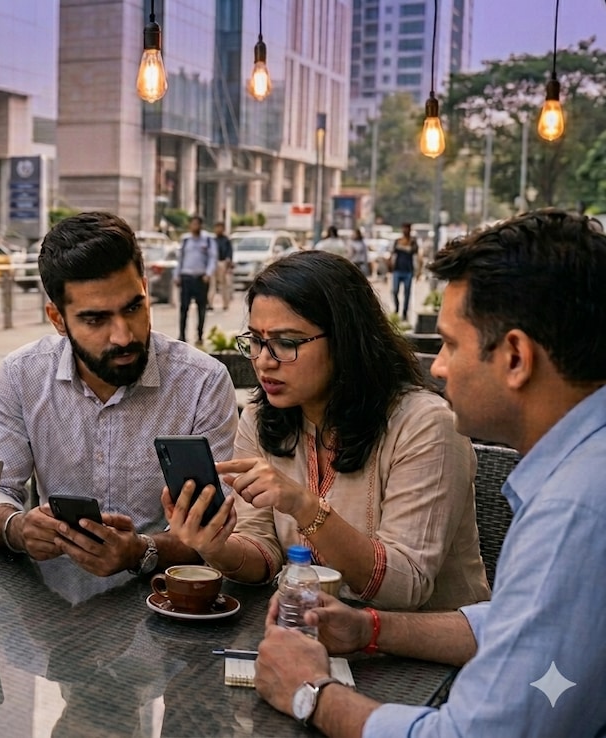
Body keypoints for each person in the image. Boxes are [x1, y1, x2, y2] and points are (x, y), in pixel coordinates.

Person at [252, 210, 606, 736]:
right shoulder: (580, 472)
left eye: (452, 345)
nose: (437, 366)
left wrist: (312, 693)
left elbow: (470, 734)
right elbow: (513, 624)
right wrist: (368, 628)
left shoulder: (574, 511)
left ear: (515, 357)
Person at [166, 250, 488, 611]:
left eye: (287, 343)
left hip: (425, 655)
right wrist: (215, 546)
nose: (264, 360)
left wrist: (305, 507)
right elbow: (262, 551)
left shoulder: (424, 424)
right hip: (312, 636)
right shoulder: (262, 416)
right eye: (256, 340)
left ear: (345, 341)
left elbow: (406, 585)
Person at [0, 211, 238, 578]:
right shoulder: (24, 374)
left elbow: (217, 526)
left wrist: (141, 551)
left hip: (167, 597)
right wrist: (18, 529)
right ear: (57, 318)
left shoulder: (201, 383)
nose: (123, 336)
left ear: (146, 290)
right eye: (95, 319)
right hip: (54, 601)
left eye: (134, 307)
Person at [173, 215, 217, 346]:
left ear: (200, 225)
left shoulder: (208, 240)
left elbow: (212, 258)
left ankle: (200, 335)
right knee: (184, 308)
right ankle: (182, 335)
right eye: (192, 224)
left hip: (200, 278)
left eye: (197, 224)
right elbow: (180, 259)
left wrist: (208, 273)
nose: (194, 227)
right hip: (186, 277)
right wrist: (177, 275)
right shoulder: (186, 240)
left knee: (201, 308)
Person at [389, 222, 419, 320]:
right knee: (395, 291)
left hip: (408, 270)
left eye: (407, 229)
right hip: (397, 269)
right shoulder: (397, 241)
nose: (405, 230)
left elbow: (415, 252)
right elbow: (393, 253)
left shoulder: (413, 242)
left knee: (407, 293)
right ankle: (397, 308)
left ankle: (405, 312)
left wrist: (418, 270)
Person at [213, 221, 233, 311]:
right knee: (212, 285)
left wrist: (228, 261)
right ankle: (210, 303)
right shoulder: (213, 240)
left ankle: (226, 303)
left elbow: (229, 252)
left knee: (225, 285)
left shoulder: (226, 240)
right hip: (213, 263)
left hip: (223, 262)